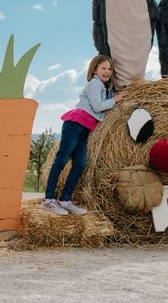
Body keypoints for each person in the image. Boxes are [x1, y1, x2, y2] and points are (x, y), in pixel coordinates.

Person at [41, 54, 126, 215]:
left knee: (79, 164)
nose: (107, 71)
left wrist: (113, 96)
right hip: (75, 124)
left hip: (84, 128)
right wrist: (116, 99)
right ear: (94, 69)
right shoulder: (94, 84)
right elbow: (97, 106)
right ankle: (49, 200)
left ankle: (65, 199)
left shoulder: (103, 87)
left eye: (109, 69)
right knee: (62, 159)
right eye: (103, 68)